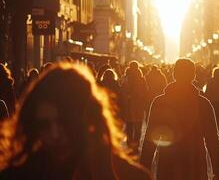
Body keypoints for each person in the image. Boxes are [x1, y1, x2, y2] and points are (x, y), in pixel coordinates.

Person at [0, 62, 152, 179]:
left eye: (65, 122)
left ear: (88, 119)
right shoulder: (17, 175)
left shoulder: (131, 176)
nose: (55, 134)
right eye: (44, 125)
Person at [140, 58, 219, 180]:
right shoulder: (203, 104)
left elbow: (150, 139)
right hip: (195, 167)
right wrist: (218, 171)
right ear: (193, 75)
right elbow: (213, 139)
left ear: (174, 74)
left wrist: (144, 169)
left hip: (168, 166)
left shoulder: (159, 102)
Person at [122, 61, 148, 154]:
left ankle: (130, 144)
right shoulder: (141, 79)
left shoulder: (126, 78)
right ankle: (135, 146)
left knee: (129, 126)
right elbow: (145, 92)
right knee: (138, 128)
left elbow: (123, 91)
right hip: (138, 106)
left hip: (129, 106)